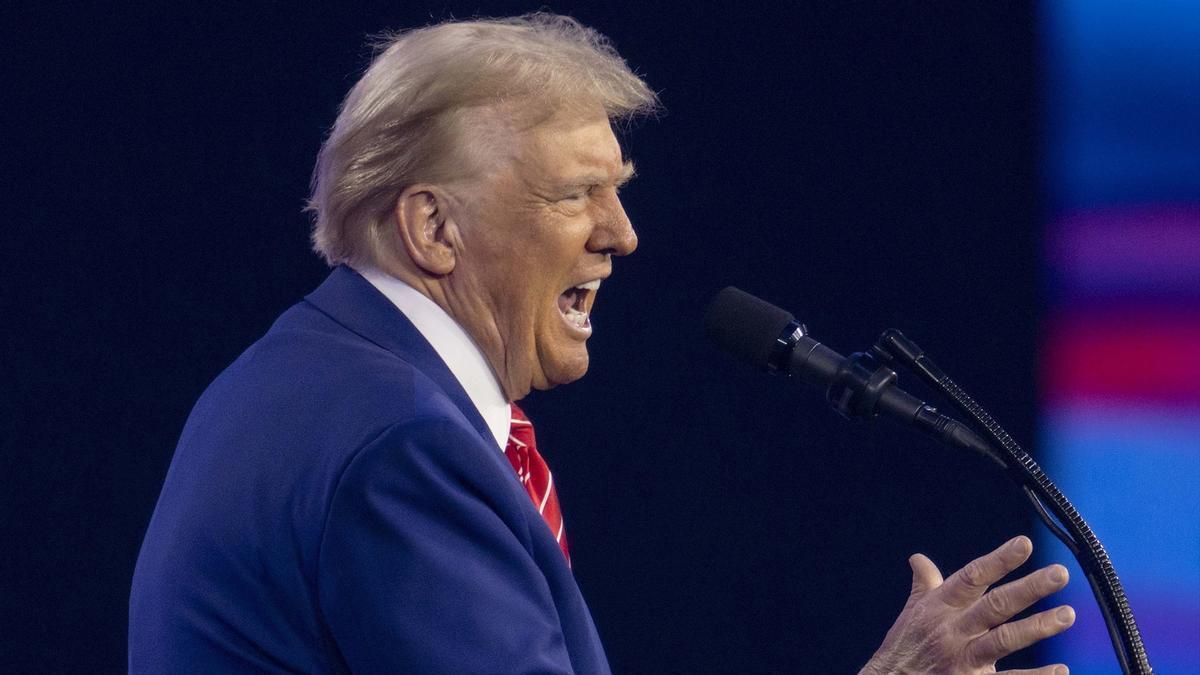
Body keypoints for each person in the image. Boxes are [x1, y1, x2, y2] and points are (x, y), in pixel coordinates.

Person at [128, 13, 1075, 674]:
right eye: (574, 193)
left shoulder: (303, 377)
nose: (621, 235)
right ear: (432, 229)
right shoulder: (398, 444)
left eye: (618, 189)